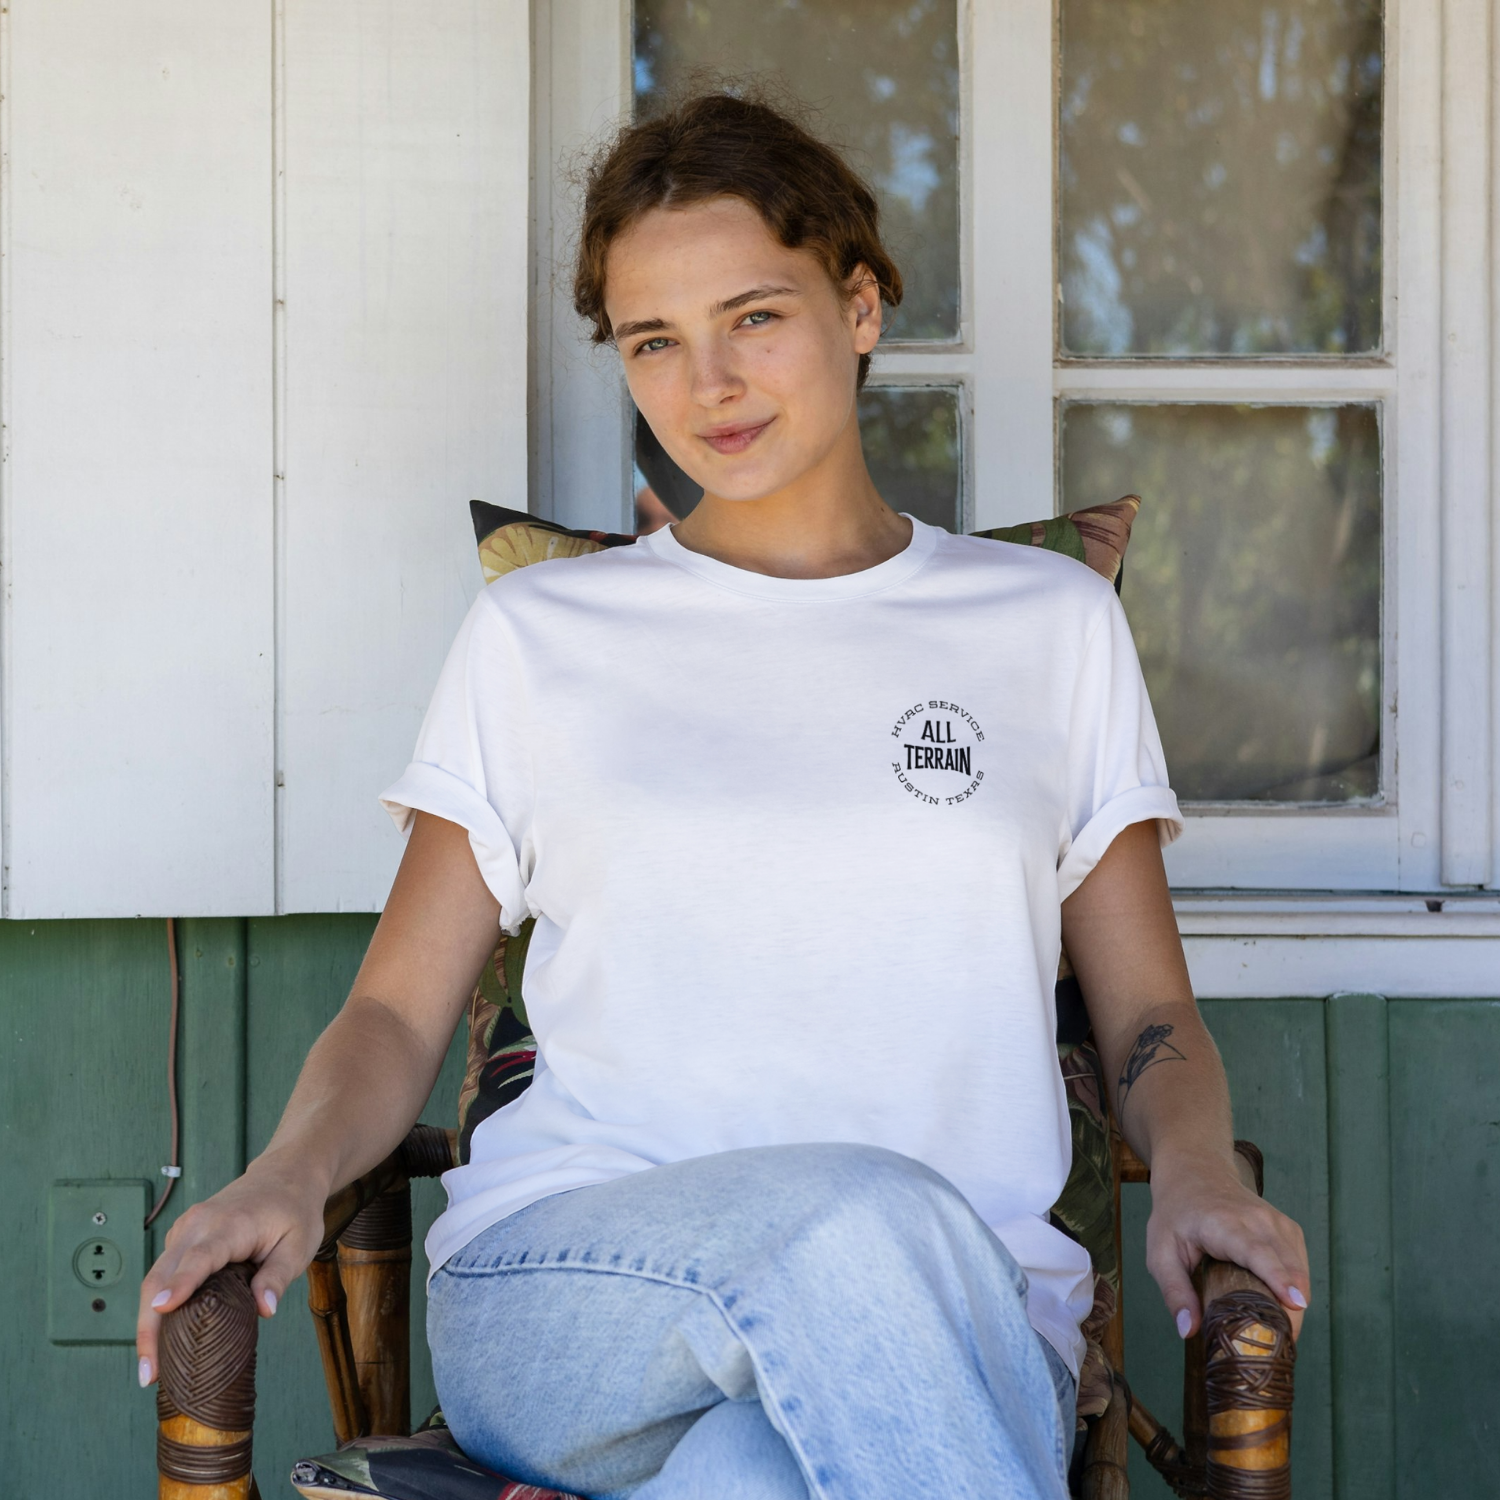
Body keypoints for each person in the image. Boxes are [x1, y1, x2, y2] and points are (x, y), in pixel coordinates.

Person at [137, 92, 1309, 1500]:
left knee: (755, 1474)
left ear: (861, 306)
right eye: (654, 341)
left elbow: (1151, 1017)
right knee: (847, 1220)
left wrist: (1189, 1171)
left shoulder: (1049, 625)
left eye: (754, 316)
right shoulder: (544, 637)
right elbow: (395, 1011)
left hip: (971, 1314)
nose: (710, 384)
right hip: (576, 1297)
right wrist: (284, 1173)